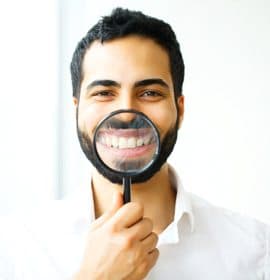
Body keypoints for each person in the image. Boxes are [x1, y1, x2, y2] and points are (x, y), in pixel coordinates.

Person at [1, 7, 269, 280]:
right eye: (104, 93)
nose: (127, 112)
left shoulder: (256, 252)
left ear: (180, 109)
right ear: (76, 110)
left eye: (150, 92)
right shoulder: (15, 249)